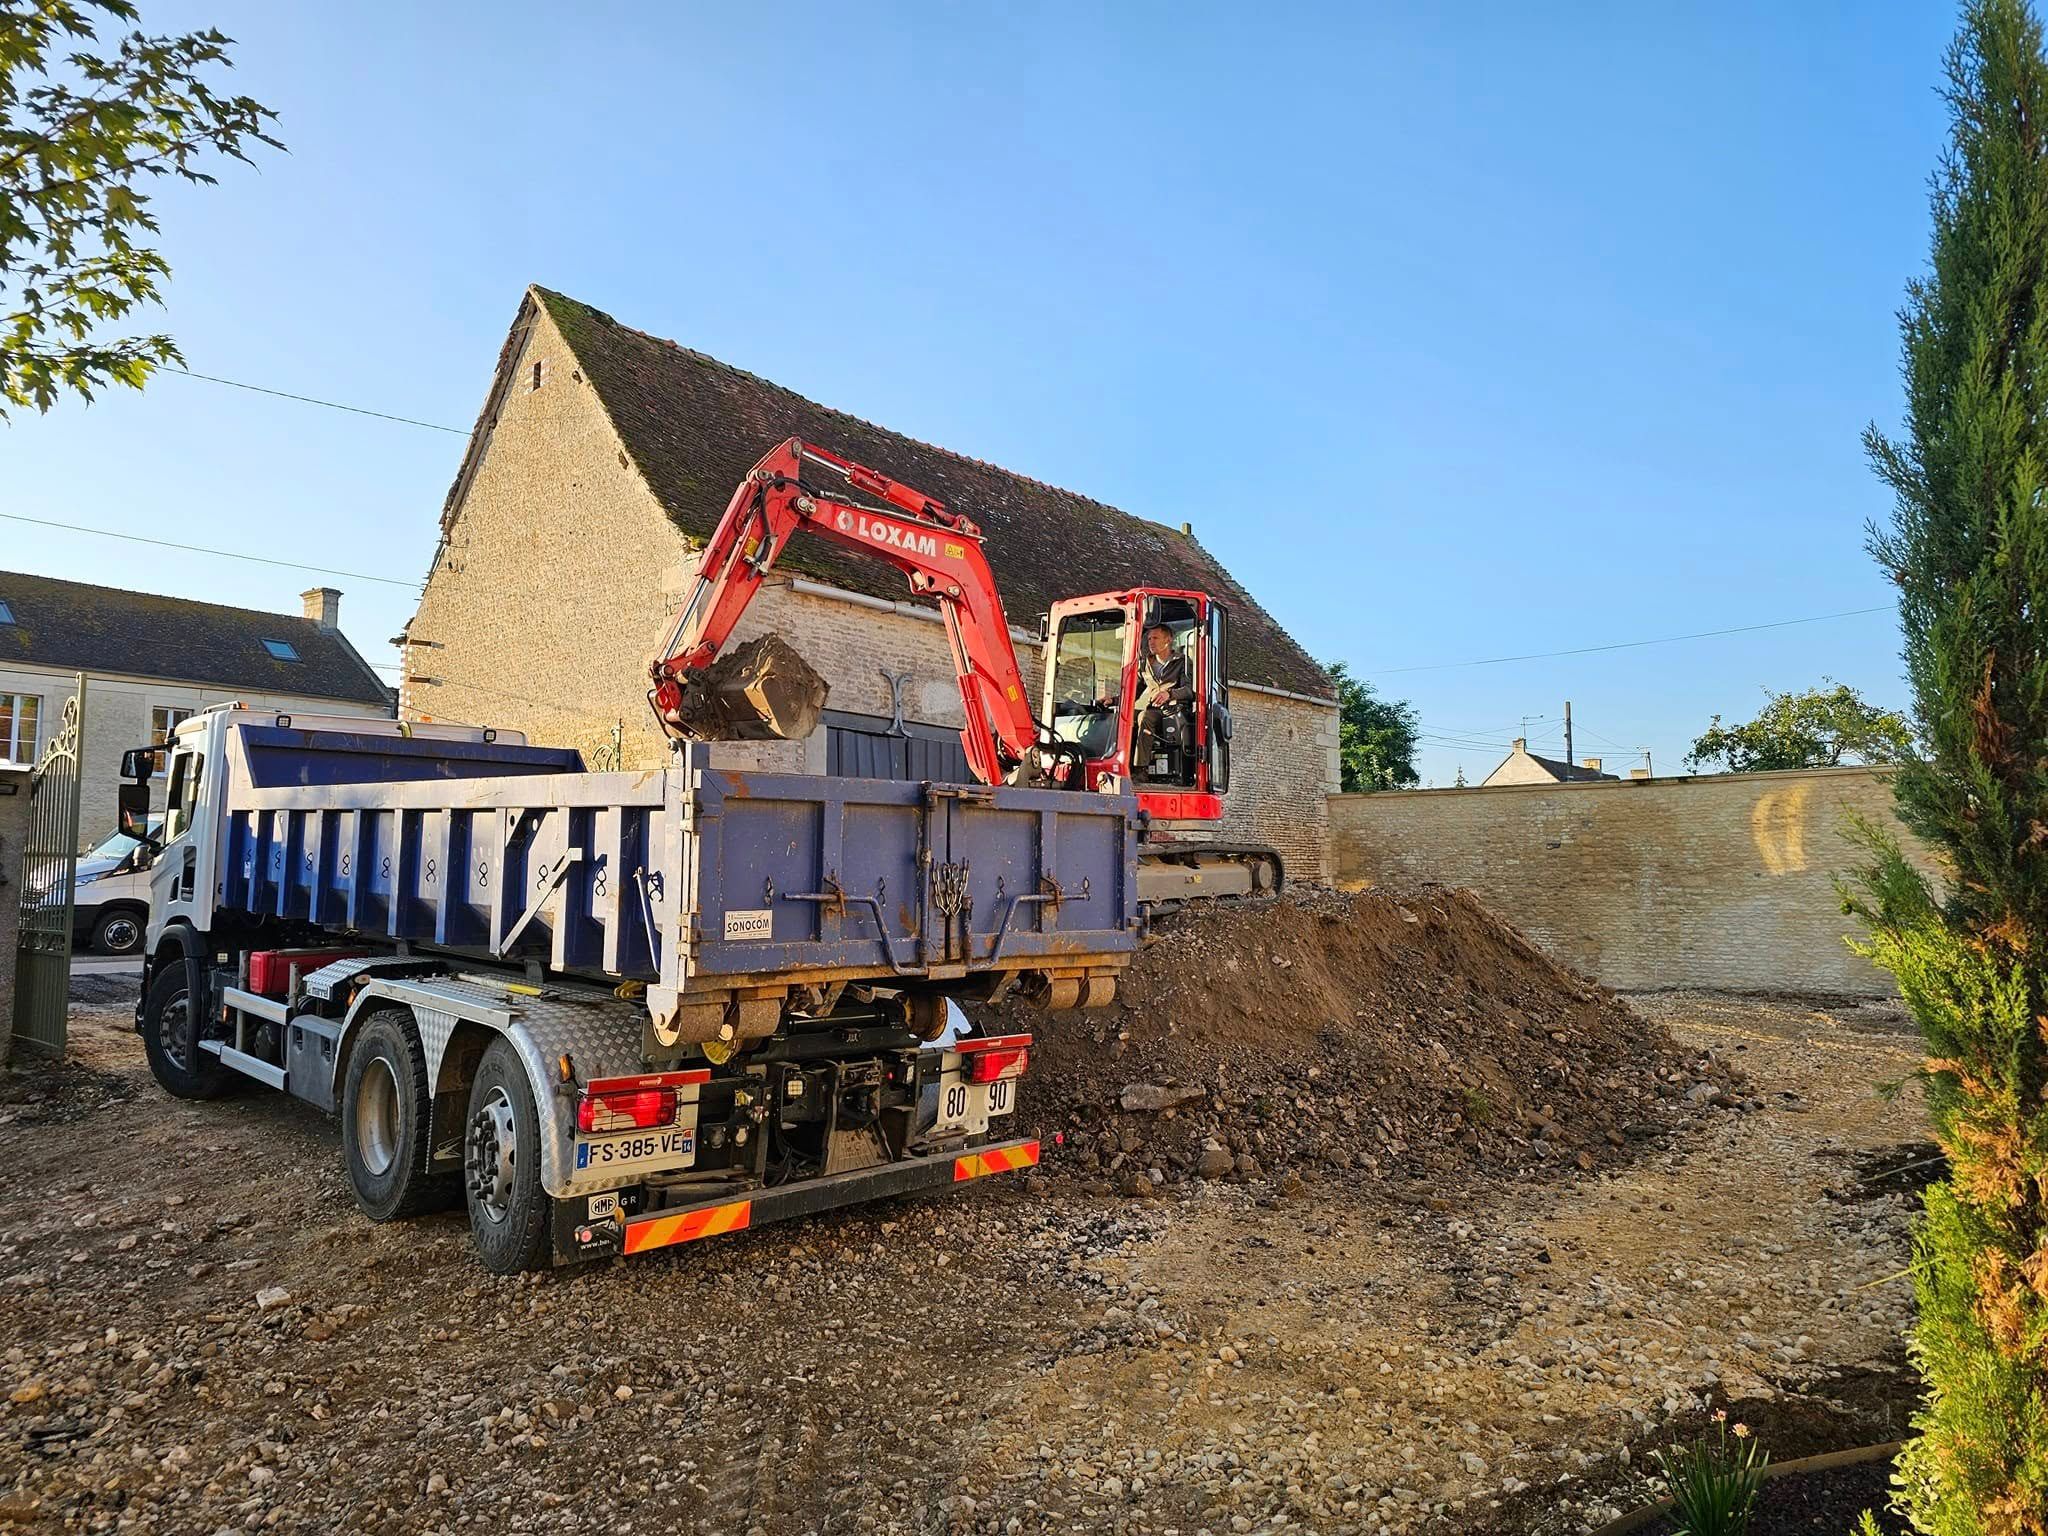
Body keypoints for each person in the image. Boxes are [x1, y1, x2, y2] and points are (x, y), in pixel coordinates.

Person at [1130, 622, 1193, 776]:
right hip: (1153, 708)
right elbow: (1133, 691)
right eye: (1149, 638)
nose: (1151, 642)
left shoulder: (1182, 661)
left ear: (1168, 639)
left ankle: (1140, 769)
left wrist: (1170, 694)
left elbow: (1190, 691)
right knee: (1123, 717)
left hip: (1172, 709)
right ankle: (1122, 764)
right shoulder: (1145, 663)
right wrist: (1113, 700)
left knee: (1144, 717)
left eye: (1156, 638)